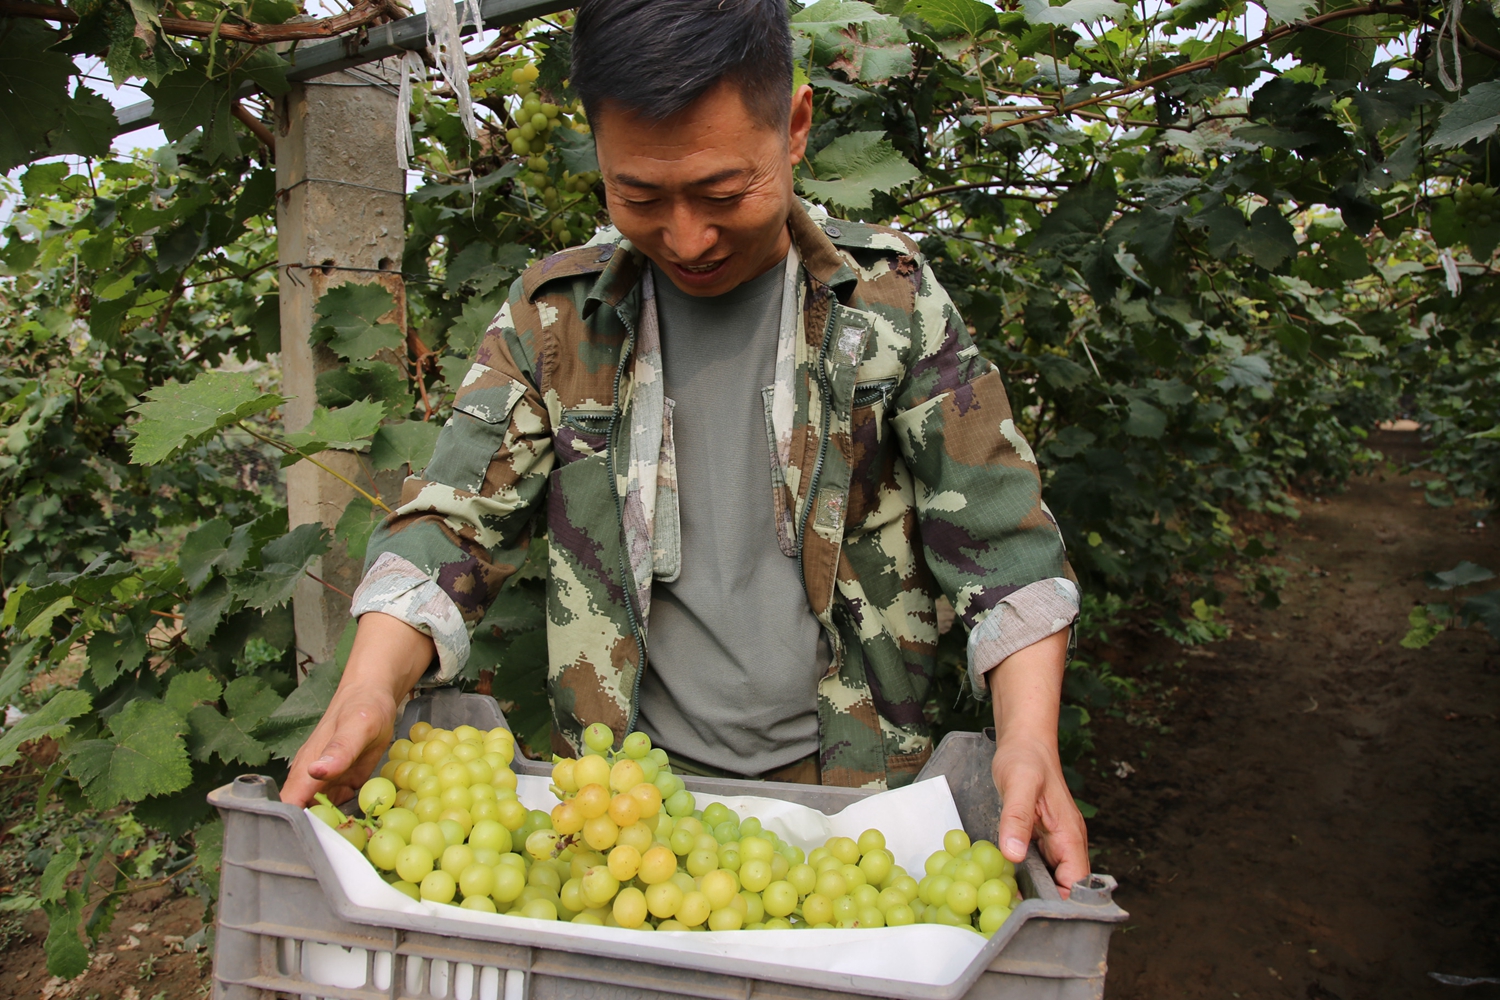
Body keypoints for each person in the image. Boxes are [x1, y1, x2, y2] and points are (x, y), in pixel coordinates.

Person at [282, 0, 1089, 894]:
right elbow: (454, 527)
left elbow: (1005, 543)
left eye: (720, 193)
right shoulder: (556, 319)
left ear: (794, 126)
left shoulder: (892, 304)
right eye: (638, 195)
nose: (687, 238)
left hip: (855, 811)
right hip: (625, 811)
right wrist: (368, 689)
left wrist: (1026, 740)